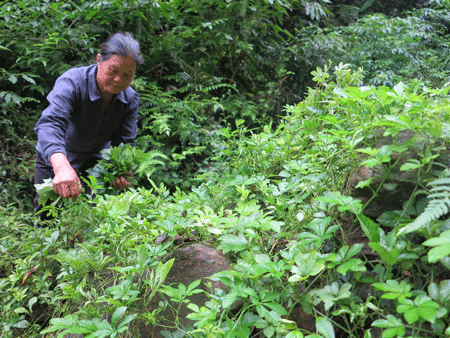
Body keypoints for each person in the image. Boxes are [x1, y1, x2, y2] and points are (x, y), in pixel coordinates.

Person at [33, 32, 144, 217]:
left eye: (127, 75)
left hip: (95, 160)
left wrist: (121, 170)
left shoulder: (130, 98)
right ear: (99, 59)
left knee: (90, 213)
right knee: (47, 212)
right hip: (57, 154)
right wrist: (61, 167)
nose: (119, 80)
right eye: (113, 71)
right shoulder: (72, 83)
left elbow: (125, 141)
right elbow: (50, 124)